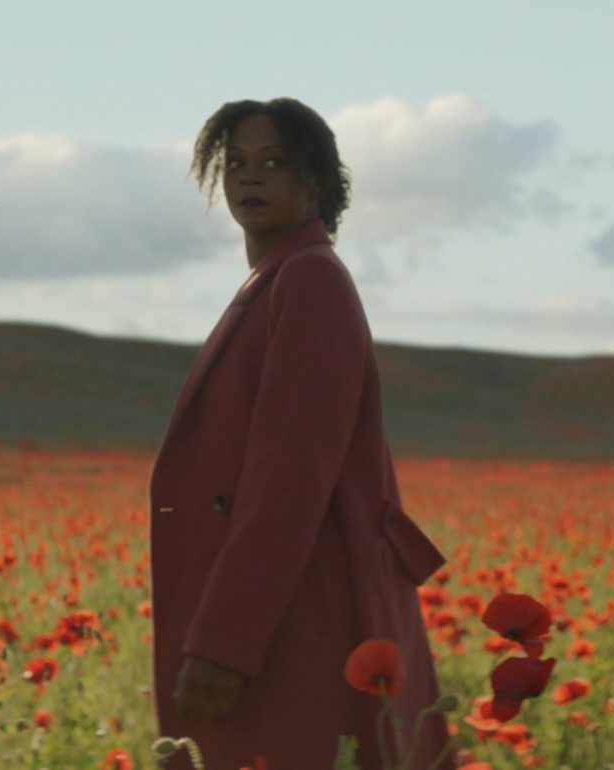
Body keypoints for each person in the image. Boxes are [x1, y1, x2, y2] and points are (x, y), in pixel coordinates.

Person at [150, 99, 454, 769]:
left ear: (315, 183)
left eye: (273, 163)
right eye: (235, 164)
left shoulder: (310, 281)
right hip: (285, 613)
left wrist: (225, 645)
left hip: (299, 620)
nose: (248, 178)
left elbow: (288, 480)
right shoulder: (277, 281)